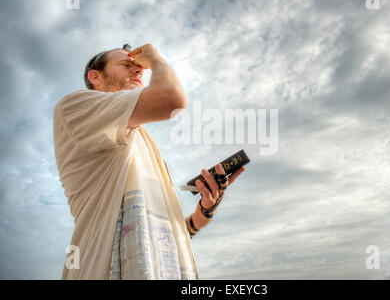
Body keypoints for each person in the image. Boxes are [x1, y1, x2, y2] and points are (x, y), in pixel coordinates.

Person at [52, 43, 246, 280]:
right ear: (96, 77)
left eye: (141, 67)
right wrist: (155, 59)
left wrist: (206, 209)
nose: (139, 71)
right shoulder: (74, 107)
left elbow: (163, 237)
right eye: (127, 65)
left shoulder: (140, 141)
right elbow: (171, 100)